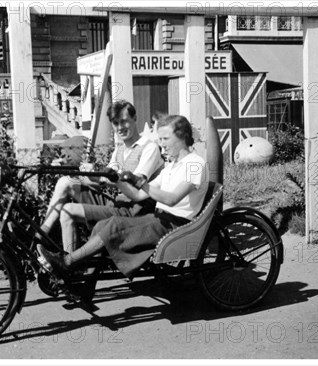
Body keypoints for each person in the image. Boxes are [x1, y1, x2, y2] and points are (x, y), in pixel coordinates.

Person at [37, 114, 208, 278]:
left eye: (165, 139)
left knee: (115, 224)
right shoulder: (172, 166)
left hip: (175, 225)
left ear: (182, 137)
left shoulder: (194, 164)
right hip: (159, 219)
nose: (162, 145)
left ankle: (66, 262)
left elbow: (171, 199)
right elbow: (138, 196)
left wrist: (141, 182)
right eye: (160, 139)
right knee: (104, 224)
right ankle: (85, 285)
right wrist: (117, 179)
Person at [38, 100, 165, 253]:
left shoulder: (149, 147)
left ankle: (69, 261)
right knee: (66, 181)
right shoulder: (120, 149)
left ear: (135, 118)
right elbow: (106, 180)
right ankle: (43, 232)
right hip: (117, 202)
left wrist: (104, 176)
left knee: (67, 210)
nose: (120, 128)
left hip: (135, 209)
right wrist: (91, 174)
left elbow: (135, 184)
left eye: (124, 121)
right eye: (115, 123)